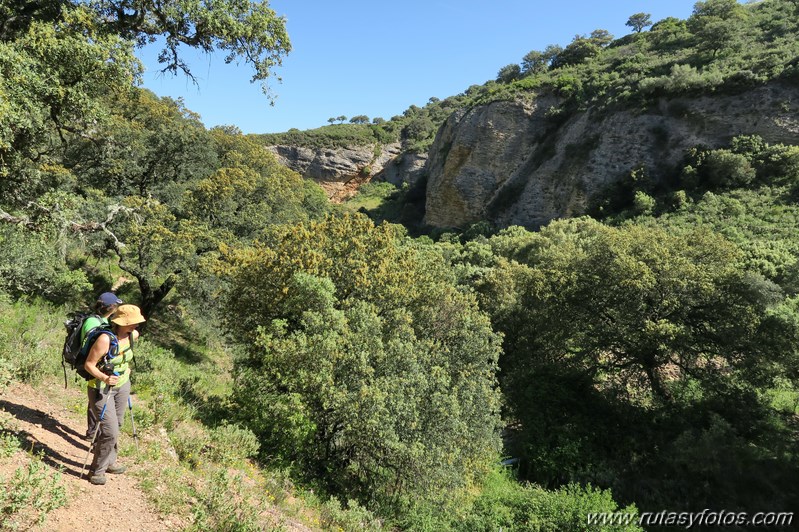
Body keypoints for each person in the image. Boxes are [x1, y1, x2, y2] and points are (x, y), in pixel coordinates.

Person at [84, 304, 145, 486]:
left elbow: (124, 357)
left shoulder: (133, 335)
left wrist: (125, 371)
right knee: (109, 431)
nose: (136, 326)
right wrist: (104, 377)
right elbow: (89, 365)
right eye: (132, 323)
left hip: (122, 386)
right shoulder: (104, 339)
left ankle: (110, 461)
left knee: (117, 425)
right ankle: (96, 471)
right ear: (121, 323)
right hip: (100, 388)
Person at [82, 292, 123, 439]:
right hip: (95, 368)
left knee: (95, 400)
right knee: (97, 398)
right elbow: (89, 346)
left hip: (100, 368)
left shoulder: (99, 321)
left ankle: (93, 432)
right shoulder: (95, 323)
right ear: (111, 308)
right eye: (116, 305)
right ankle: (93, 433)